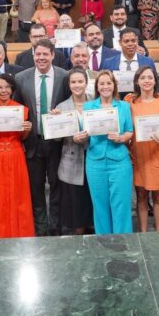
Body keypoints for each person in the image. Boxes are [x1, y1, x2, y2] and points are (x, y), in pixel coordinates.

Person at [15, 39, 69, 235]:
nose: (41, 58)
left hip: (57, 142)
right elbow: (17, 108)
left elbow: (70, 104)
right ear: (33, 55)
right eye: (38, 54)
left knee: (56, 185)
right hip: (33, 142)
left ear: (53, 55)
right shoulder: (21, 78)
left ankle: (55, 226)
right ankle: (41, 227)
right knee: (35, 188)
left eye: (45, 54)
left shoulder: (64, 76)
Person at [0, 73, 35, 239]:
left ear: (12, 89)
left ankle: (19, 235)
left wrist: (27, 129)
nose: (3, 90)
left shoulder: (22, 110)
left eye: (7, 87)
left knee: (18, 197)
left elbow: (23, 137)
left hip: (16, 155)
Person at [125, 66, 159, 233]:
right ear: (137, 81)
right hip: (137, 155)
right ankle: (144, 232)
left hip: (157, 153)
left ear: (155, 80)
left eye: (150, 77)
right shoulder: (129, 101)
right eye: (143, 78)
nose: (146, 81)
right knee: (140, 195)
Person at [83, 70, 134, 234]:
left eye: (109, 83)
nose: (105, 86)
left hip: (119, 161)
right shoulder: (89, 106)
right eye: (102, 83)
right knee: (100, 205)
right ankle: (104, 243)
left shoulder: (124, 106)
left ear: (114, 86)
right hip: (95, 162)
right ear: (97, 86)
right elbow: (85, 131)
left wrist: (121, 138)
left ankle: (123, 243)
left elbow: (130, 131)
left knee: (121, 205)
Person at [54, 69, 95, 235]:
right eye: (73, 82)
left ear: (86, 83)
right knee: (76, 201)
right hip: (72, 160)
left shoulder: (96, 102)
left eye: (80, 81)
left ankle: (94, 229)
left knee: (93, 197)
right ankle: (79, 234)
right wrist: (55, 121)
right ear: (68, 85)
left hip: (94, 156)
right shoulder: (61, 107)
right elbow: (56, 140)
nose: (77, 85)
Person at [101, 28, 157, 94]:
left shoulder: (148, 62)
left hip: (142, 100)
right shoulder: (108, 62)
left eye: (133, 41)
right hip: (117, 100)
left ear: (137, 41)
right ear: (120, 42)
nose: (130, 44)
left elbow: (155, 85)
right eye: (126, 41)